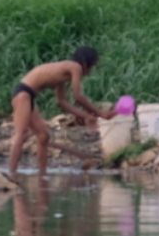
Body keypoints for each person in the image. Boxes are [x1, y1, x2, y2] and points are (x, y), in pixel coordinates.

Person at [7, 47, 109, 180]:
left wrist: (87, 116)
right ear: (85, 64)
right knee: (21, 134)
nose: (90, 71)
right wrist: (99, 112)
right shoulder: (75, 67)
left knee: (43, 136)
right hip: (23, 94)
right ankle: (11, 174)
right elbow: (78, 96)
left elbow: (62, 103)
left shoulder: (62, 76)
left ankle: (42, 175)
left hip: (28, 96)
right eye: (92, 67)